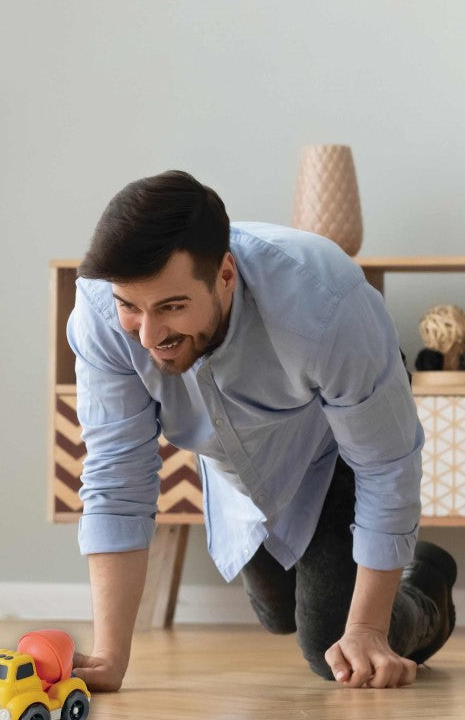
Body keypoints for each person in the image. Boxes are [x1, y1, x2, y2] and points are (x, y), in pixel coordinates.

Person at [66, 170, 455, 692]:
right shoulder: (99, 313)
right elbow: (117, 478)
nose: (149, 336)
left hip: (332, 445)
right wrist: (111, 656)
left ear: (226, 275)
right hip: (237, 457)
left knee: (334, 647)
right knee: (275, 612)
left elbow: (385, 464)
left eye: (172, 307)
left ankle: (427, 580)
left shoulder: (328, 305)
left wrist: (366, 629)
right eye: (131, 307)